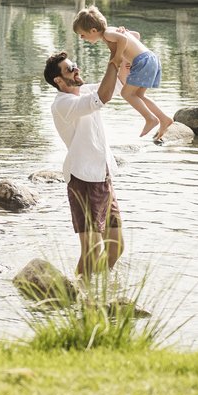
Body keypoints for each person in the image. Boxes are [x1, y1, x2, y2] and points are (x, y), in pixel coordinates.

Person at [43, 47, 130, 274]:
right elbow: (103, 96)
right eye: (71, 69)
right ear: (59, 80)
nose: (77, 69)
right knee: (92, 250)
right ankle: (81, 297)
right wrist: (115, 56)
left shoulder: (84, 92)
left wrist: (124, 47)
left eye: (75, 65)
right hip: (83, 179)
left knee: (116, 246)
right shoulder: (62, 104)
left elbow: (120, 83)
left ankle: (98, 291)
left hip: (103, 176)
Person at [72, 5, 172, 143]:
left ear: (93, 30)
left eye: (82, 34)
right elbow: (135, 36)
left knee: (126, 94)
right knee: (139, 95)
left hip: (142, 62)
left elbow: (123, 40)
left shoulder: (107, 34)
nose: (82, 38)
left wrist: (118, 57)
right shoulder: (112, 31)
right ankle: (164, 119)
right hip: (151, 58)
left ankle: (150, 119)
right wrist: (127, 53)